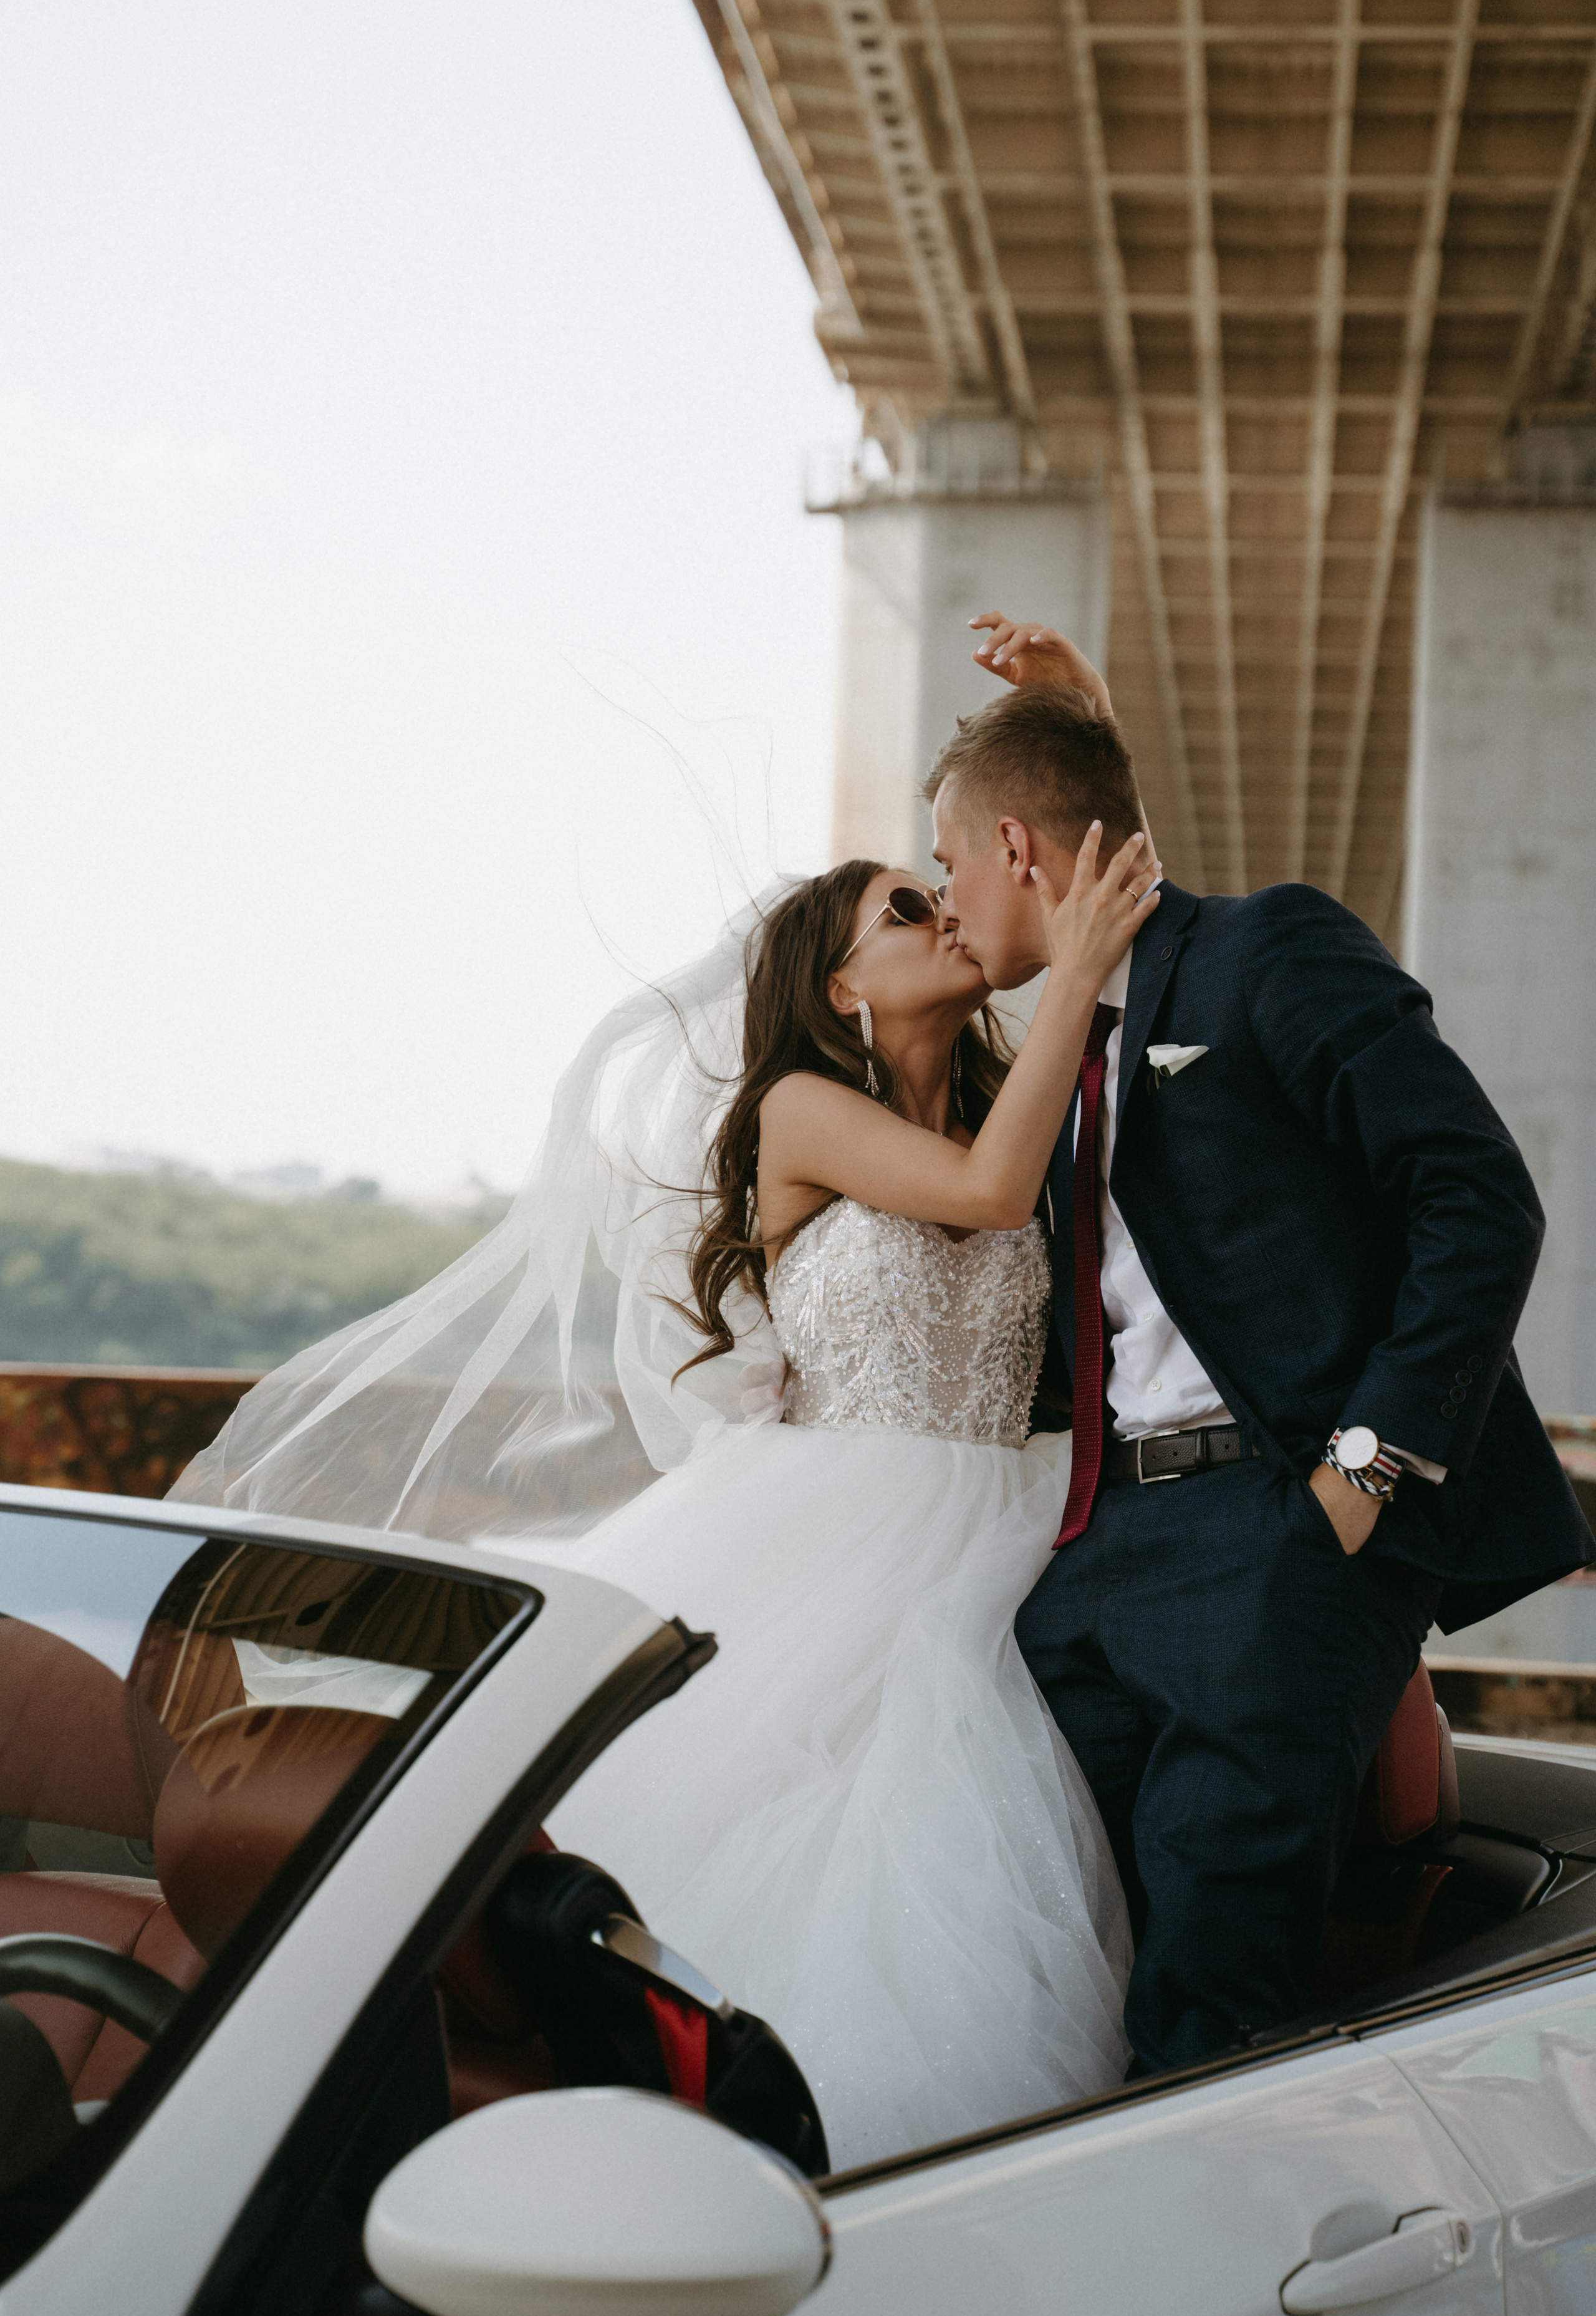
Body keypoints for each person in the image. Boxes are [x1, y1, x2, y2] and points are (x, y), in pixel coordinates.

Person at [175, 836, 1158, 2169]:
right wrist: (1075, 975)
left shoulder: (1018, 1109)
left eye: (939, 897)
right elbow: (983, 1197)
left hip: (1004, 1521)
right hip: (841, 1530)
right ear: (837, 989)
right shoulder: (800, 1111)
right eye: (902, 909)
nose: (941, 916)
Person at [928, 610, 1596, 2078]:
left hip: (1277, 1533)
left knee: (1206, 2002)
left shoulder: (1260, 949)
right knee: (1056, 1971)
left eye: (948, 858)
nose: (943, 894)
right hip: (1089, 1563)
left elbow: (1476, 1198)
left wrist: (1361, 1474)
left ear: (1018, 849)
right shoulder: (1048, 1067)